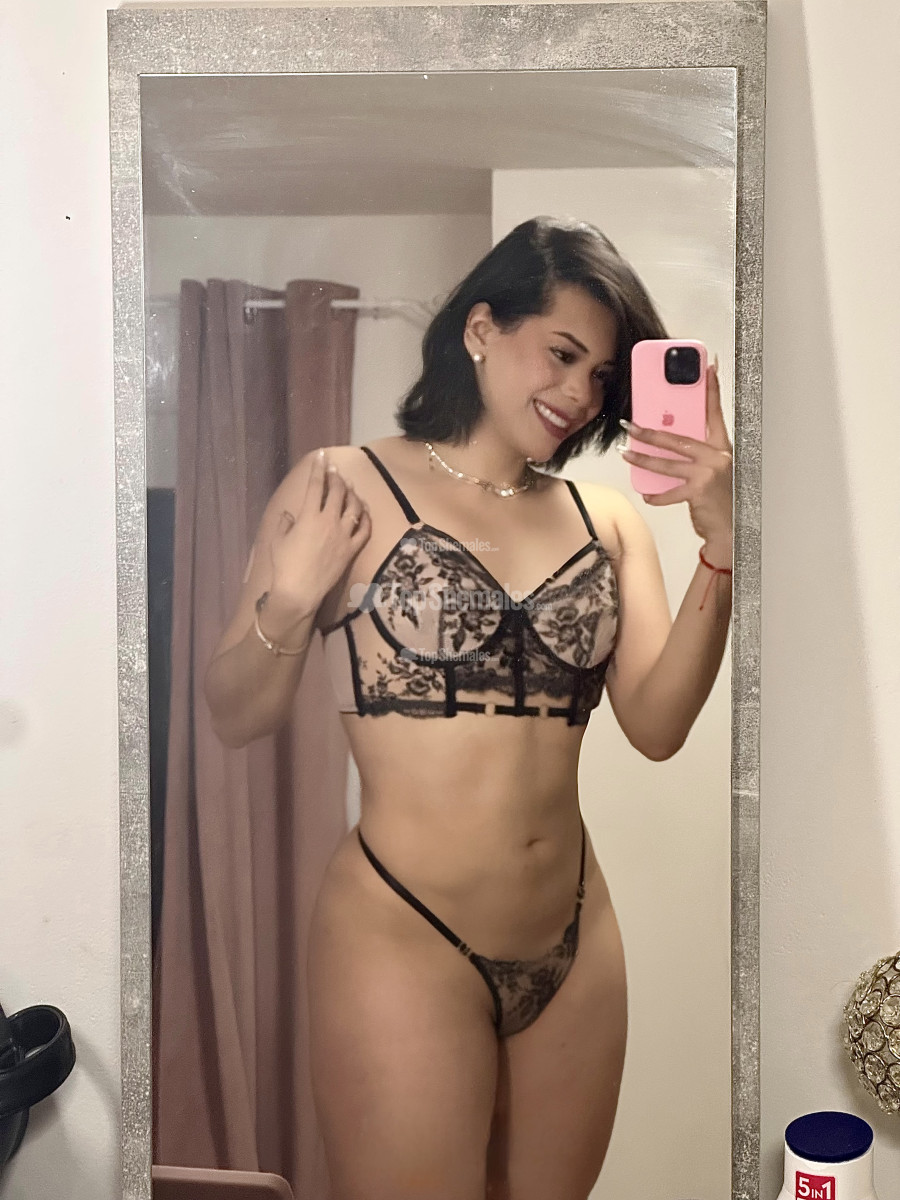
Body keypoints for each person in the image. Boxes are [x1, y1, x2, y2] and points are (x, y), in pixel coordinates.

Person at [204, 216, 733, 1200]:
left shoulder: (607, 522)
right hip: (401, 932)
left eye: (601, 375)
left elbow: (659, 728)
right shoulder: (342, 483)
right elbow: (235, 712)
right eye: (561, 354)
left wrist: (722, 548)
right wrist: (291, 599)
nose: (580, 394)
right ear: (482, 329)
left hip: (576, 941)